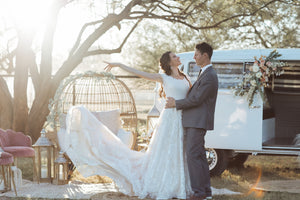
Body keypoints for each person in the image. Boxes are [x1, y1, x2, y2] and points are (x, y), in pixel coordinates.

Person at [61, 51, 194, 199]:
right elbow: (139, 73)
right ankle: (166, 184)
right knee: (167, 152)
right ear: (169, 63)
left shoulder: (186, 77)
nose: (178, 57)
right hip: (170, 119)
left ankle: (181, 183)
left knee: (181, 150)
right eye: (175, 56)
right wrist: (119, 65)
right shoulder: (163, 78)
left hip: (184, 117)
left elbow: (193, 96)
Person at [165, 42, 218, 200]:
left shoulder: (210, 75)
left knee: (193, 157)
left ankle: (199, 193)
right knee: (200, 157)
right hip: (194, 121)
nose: (194, 57)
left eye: (196, 54)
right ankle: (206, 192)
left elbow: (196, 99)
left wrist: (176, 103)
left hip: (197, 122)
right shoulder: (205, 73)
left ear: (205, 55)